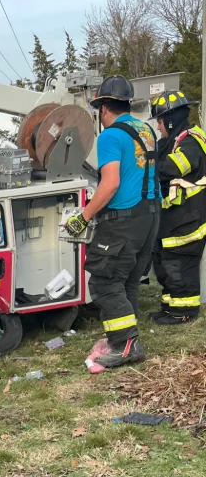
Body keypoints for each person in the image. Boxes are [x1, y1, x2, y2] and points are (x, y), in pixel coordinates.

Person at [65, 75, 159, 371]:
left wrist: (83, 217)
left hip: (123, 219)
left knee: (105, 282)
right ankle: (123, 338)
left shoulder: (110, 136)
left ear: (104, 108)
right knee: (128, 281)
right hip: (150, 215)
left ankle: (126, 344)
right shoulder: (145, 130)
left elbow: (110, 183)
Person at [149, 91, 206, 324]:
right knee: (165, 263)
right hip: (176, 218)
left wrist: (146, 166)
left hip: (189, 218)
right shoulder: (174, 140)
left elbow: (173, 167)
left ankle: (184, 312)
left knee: (180, 264)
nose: (159, 127)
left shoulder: (192, 139)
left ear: (171, 120)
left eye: (160, 122)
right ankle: (170, 307)